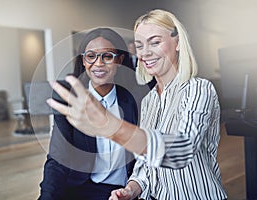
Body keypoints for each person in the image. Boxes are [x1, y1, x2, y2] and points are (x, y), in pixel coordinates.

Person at [47, 9, 228, 200]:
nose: (145, 53)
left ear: (178, 43)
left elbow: (181, 151)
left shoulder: (199, 89)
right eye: (140, 46)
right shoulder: (148, 100)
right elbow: (145, 166)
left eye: (155, 42)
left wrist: (110, 126)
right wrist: (131, 189)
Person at [39, 27, 139, 200]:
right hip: (82, 189)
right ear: (83, 61)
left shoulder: (137, 99)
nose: (98, 64)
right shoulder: (70, 100)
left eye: (107, 56)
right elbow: (58, 158)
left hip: (124, 190)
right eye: (91, 56)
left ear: (120, 60)